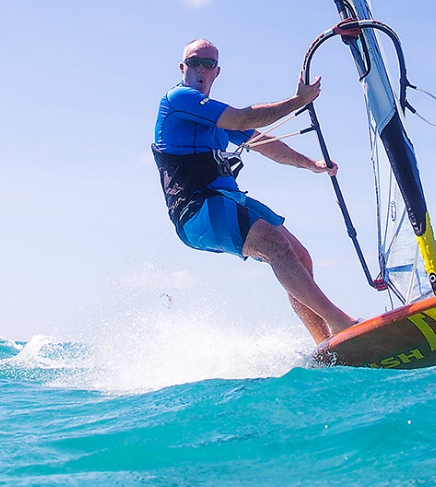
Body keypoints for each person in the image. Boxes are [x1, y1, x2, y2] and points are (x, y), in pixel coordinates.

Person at [152, 39, 357, 344]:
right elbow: (242, 118)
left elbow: (266, 145)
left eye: (208, 64)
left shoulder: (214, 118)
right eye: (194, 62)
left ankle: (326, 345)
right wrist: (298, 101)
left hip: (225, 200)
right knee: (275, 244)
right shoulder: (177, 99)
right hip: (195, 209)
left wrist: (310, 163)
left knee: (300, 256)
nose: (200, 69)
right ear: (183, 68)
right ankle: (342, 323)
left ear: (216, 72)